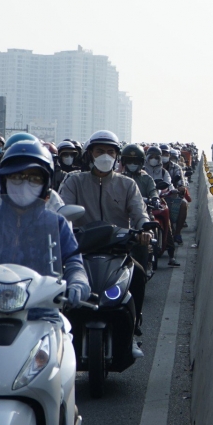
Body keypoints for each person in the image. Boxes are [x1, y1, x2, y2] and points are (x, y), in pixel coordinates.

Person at [59, 130, 150, 348]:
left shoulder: (128, 184)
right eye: (100, 151)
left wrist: (145, 228)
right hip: (80, 249)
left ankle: (134, 321)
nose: (105, 156)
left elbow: (139, 212)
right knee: (57, 281)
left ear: (117, 156)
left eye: (110, 152)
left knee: (137, 273)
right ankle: (57, 329)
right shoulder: (73, 181)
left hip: (117, 250)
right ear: (89, 154)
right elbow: (61, 210)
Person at [0, 141, 89, 305]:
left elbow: (74, 262)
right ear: (4, 182)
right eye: (16, 177)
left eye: (34, 178)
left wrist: (78, 282)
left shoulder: (56, 223)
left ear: (46, 185)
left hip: (43, 312)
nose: (24, 184)